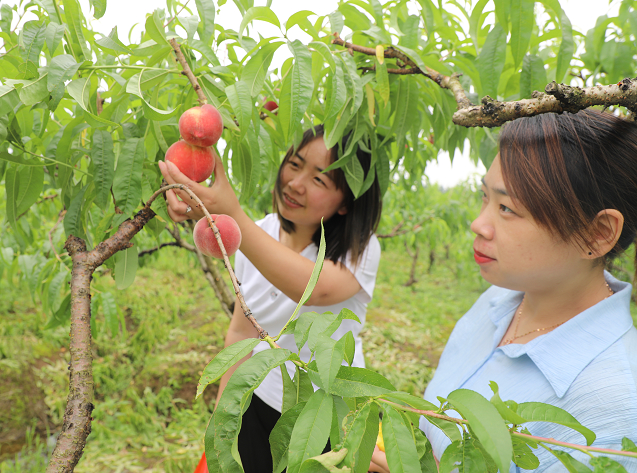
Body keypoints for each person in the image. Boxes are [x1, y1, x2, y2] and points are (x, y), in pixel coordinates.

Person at [371, 109, 637, 472]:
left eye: (507, 208)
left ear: (598, 233)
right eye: (485, 198)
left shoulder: (611, 406)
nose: (478, 224)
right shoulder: (501, 299)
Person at [159, 125, 383, 471]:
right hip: (257, 397)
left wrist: (231, 215)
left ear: (345, 203)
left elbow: (315, 287)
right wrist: (223, 416)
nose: (295, 183)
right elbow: (241, 333)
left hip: (328, 413)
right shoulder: (258, 232)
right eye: (294, 164)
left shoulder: (361, 249)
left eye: (320, 179)